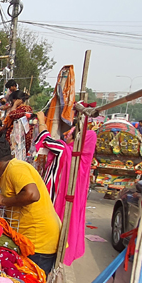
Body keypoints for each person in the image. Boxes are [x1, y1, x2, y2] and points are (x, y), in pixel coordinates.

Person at [0, 137, 61, 275]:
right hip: (28, 238)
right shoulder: (4, 172)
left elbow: (32, 195)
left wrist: (3, 201)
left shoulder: (16, 169)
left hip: (39, 241)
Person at [34, 111, 97, 266]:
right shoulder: (82, 160)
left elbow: (46, 140)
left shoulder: (65, 151)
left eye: (71, 134)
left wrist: (41, 120)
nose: (67, 135)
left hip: (57, 202)